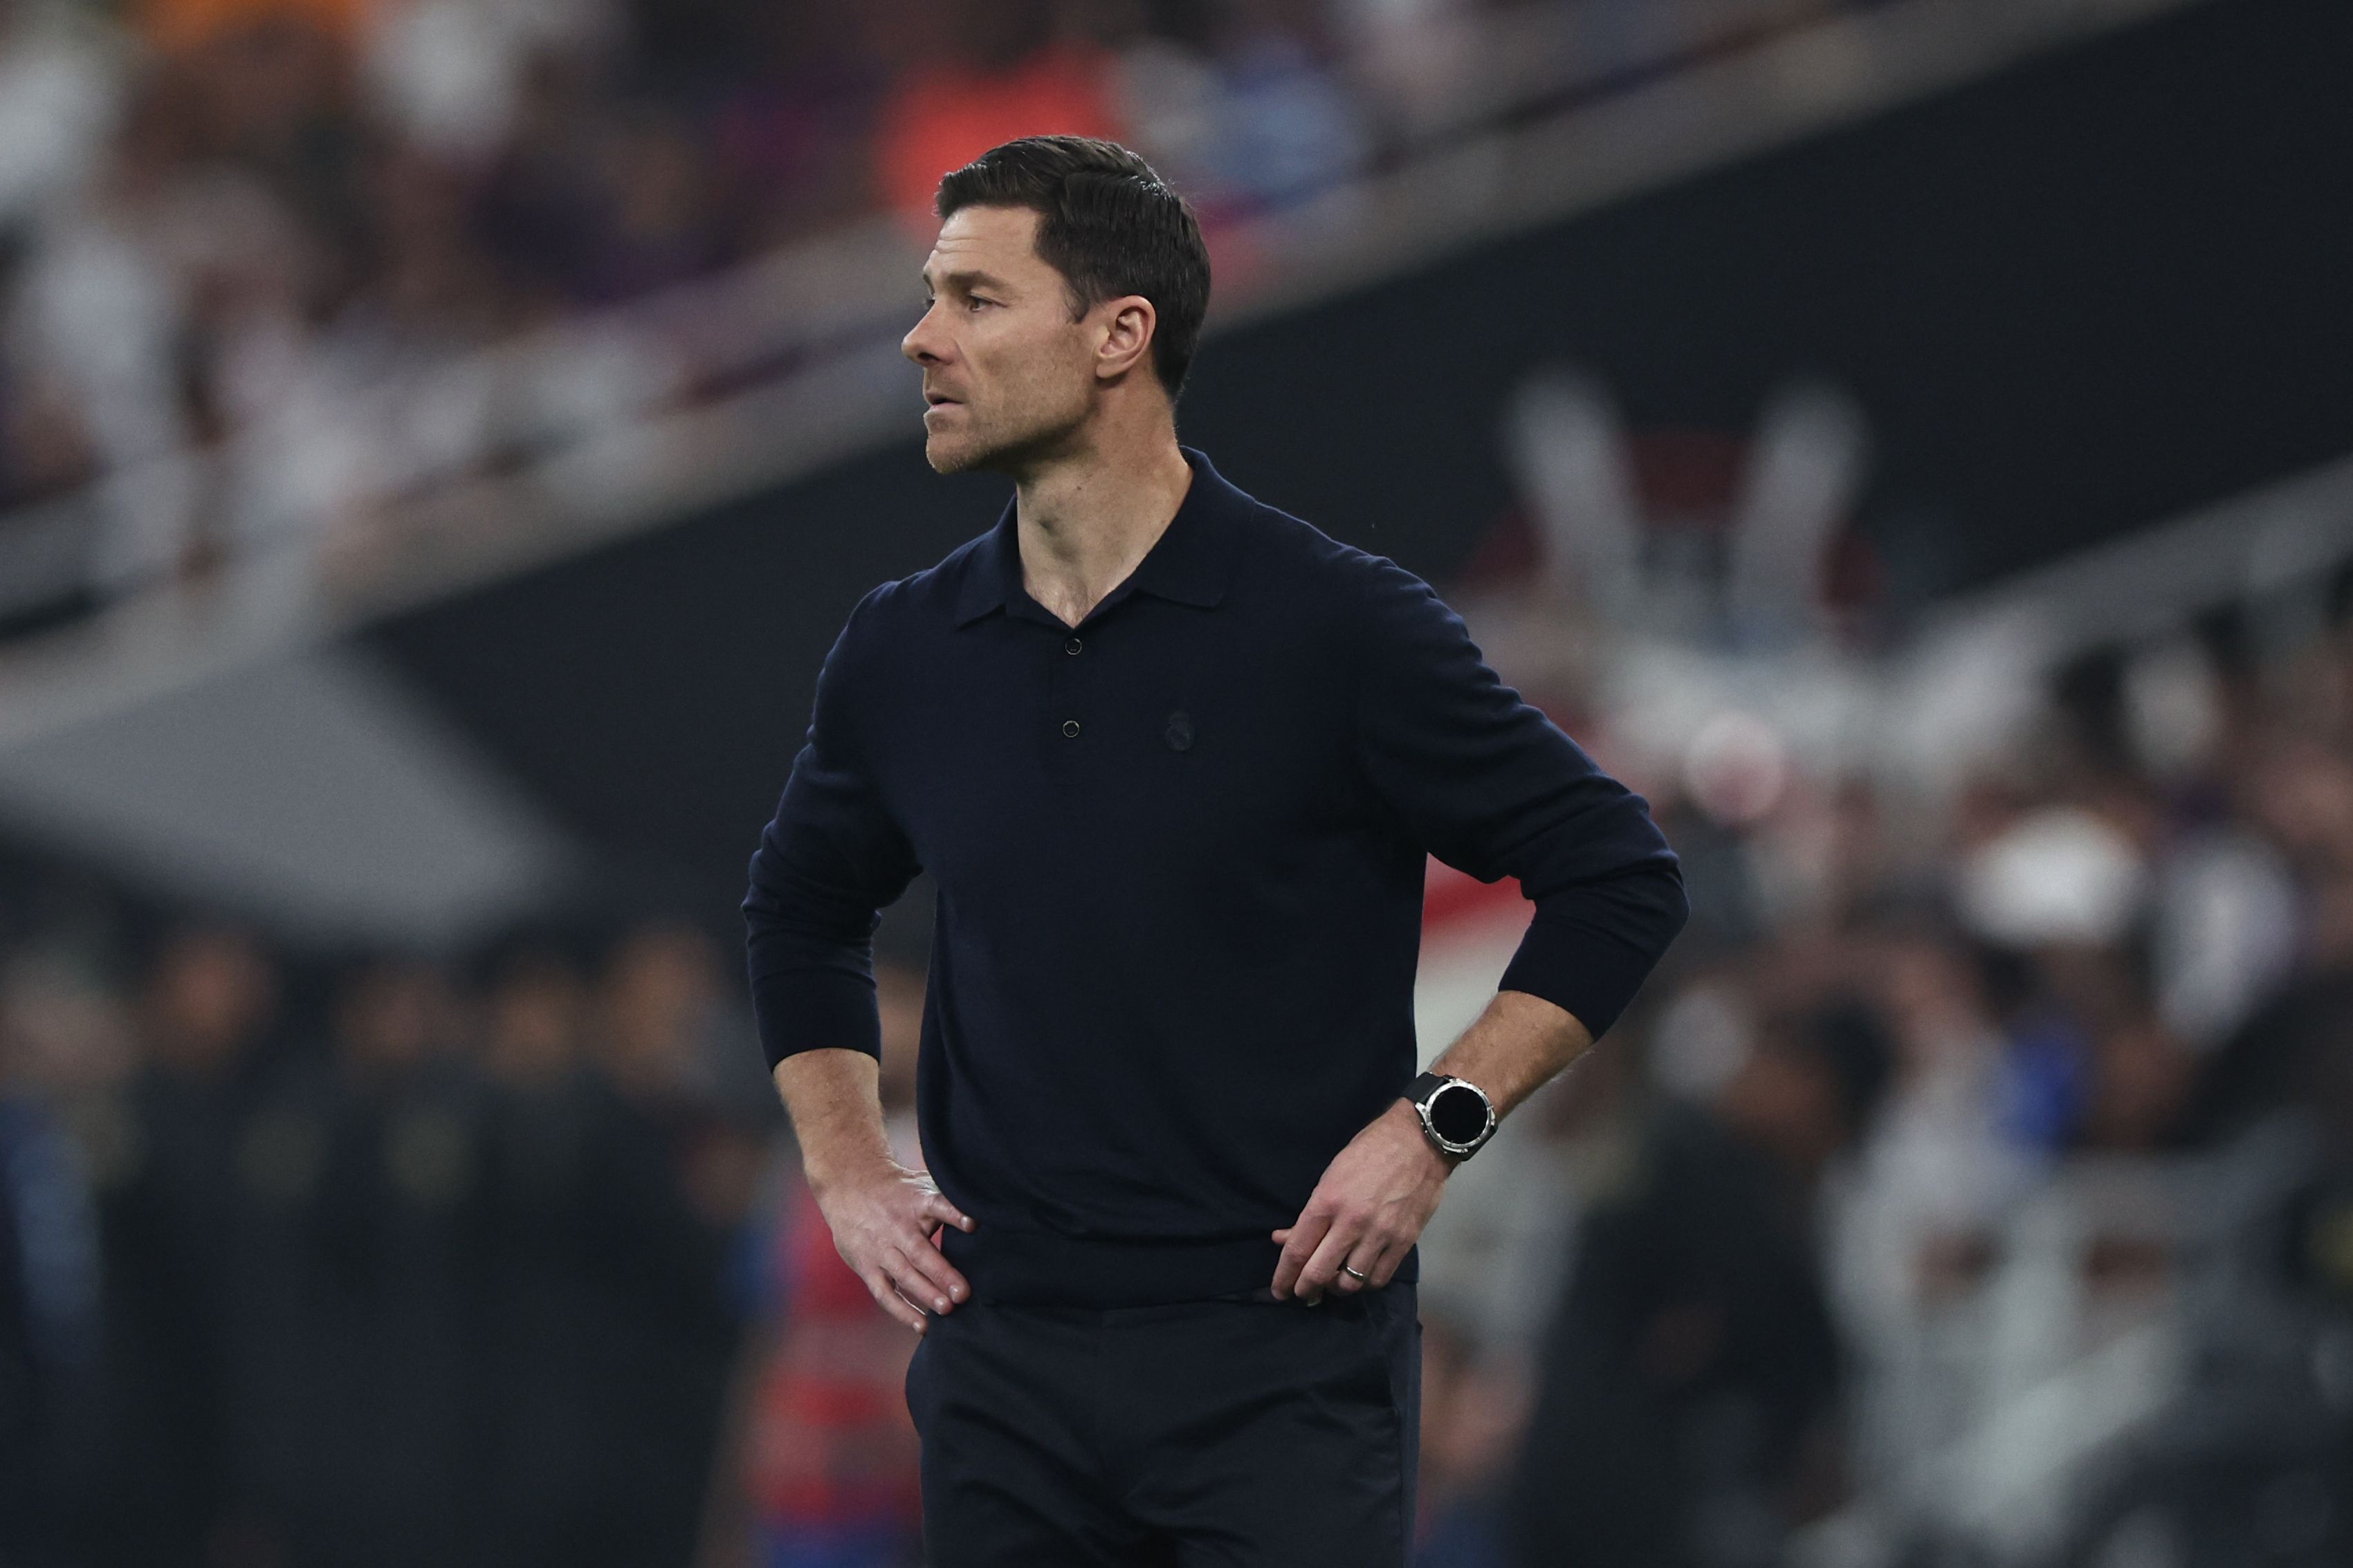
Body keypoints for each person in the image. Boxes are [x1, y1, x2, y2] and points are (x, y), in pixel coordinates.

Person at [741, 135, 1686, 1567]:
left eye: (977, 300)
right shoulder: (903, 649)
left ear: (1121, 335)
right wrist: (849, 1172)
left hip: (1281, 1363)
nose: (920, 337)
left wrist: (1436, 1127)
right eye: (932, 296)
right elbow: (798, 911)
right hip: (1006, 1367)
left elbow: (1619, 873)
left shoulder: (1334, 627)